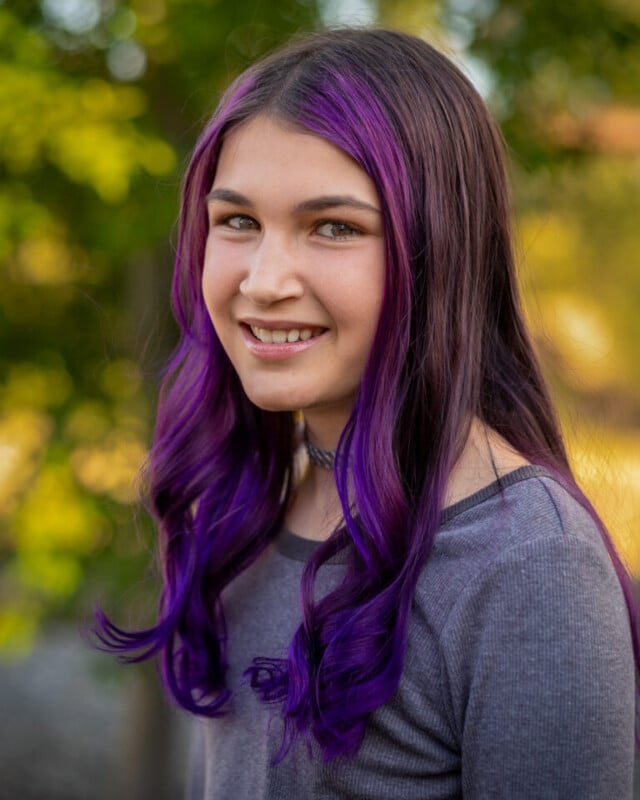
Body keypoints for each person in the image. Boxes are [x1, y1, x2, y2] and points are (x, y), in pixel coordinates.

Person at [96, 28, 639, 798]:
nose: (264, 280)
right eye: (238, 221)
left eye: (334, 227)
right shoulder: (249, 513)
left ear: (439, 252)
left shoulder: (527, 563)